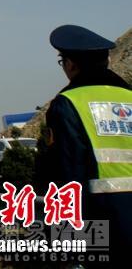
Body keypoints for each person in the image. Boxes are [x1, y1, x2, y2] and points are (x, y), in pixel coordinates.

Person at [37, 24, 132, 261]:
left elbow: (67, 177)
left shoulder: (68, 103)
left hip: (103, 221)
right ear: (107, 61)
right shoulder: (129, 97)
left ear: (71, 64)